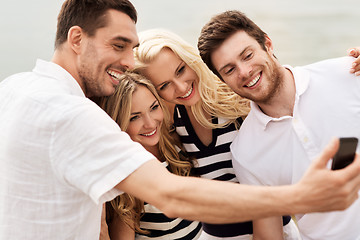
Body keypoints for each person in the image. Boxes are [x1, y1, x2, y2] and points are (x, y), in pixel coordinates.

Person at [1, 0, 360, 239]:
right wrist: (299, 196)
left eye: (130, 48)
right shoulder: (74, 115)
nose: (127, 62)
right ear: (76, 38)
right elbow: (169, 193)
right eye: (118, 45)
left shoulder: (15, 89)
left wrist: (346, 71)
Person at [198, 10, 360, 240]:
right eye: (230, 69)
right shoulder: (246, 152)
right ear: (223, 80)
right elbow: (269, 233)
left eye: (247, 55)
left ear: (268, 43)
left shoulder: (348, 73)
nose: (244, 72)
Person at [133, 29, 299, 239]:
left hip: (273, 230)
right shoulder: (171, 124)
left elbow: (289, 91)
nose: (181, 87)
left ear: (190, 59)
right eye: (164, 85)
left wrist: (348, 70)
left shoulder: (238, 98)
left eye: (181, 70)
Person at [98, 72, 202, 239]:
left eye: (154, 108)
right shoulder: (126, 176)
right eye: (134, 118)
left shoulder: (177, 144)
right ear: (119, 123)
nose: (150, 123)